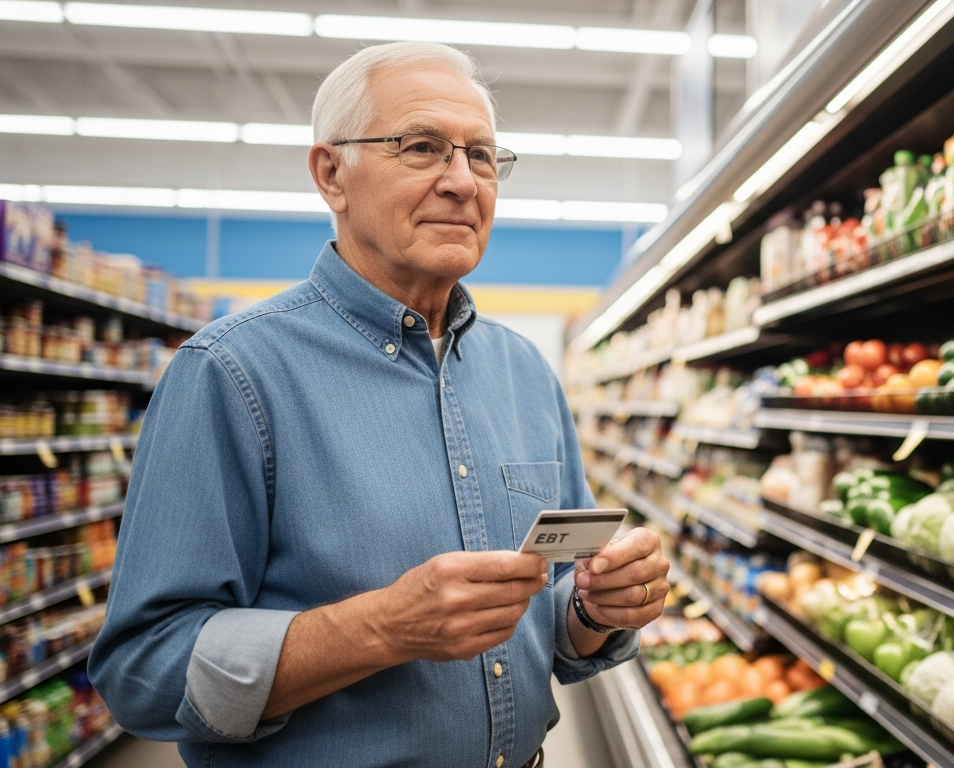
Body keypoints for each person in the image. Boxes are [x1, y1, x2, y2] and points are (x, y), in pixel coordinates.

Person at [88, 41, 668, 768]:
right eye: (422, 147)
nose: (463, 181)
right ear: (332, 175)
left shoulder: (526, 373)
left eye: (482, 156)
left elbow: (544, 621)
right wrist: (383, 629)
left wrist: (594, 607)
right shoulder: (232, 373)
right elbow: (141, 672)